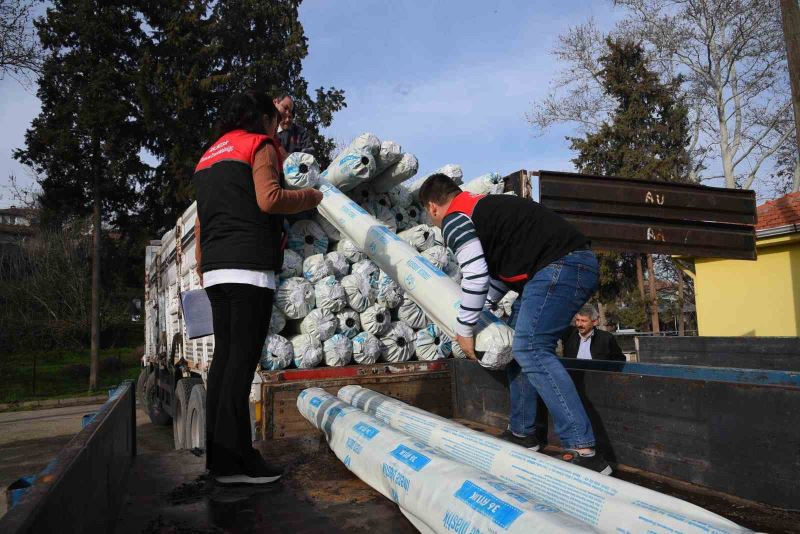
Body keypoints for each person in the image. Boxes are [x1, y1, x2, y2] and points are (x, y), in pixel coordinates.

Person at [418, 174, 612, 475]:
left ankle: (584, 450)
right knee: (515, 343)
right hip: (558, 268)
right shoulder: (484, 209)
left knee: (531, 348)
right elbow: (496, 277)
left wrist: (464, 329)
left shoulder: (455, 219)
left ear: (433, 207)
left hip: (560, 267)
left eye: (431, 217)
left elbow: (476, 276)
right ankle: (523, 433)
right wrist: (483, 310)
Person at [193, 90, 322, 485]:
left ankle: (219, 459)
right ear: (263, 119)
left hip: (215, 269)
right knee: (240, 365)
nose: (276, 126)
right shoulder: (259, 145)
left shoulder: (209, 154)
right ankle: (239, 463)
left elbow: (201, 221)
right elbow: (269, 199)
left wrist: (203, 265)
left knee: (223, 363)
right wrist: (311, 196)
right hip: (248, 267)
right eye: (273, 120)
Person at [561, 304, 626, 361]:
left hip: (598, 374)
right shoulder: (569, 334)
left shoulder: (606, 338)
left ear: (594, 322)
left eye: (583, 321)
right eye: (578, 320)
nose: (579, 324)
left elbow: (620, 361)